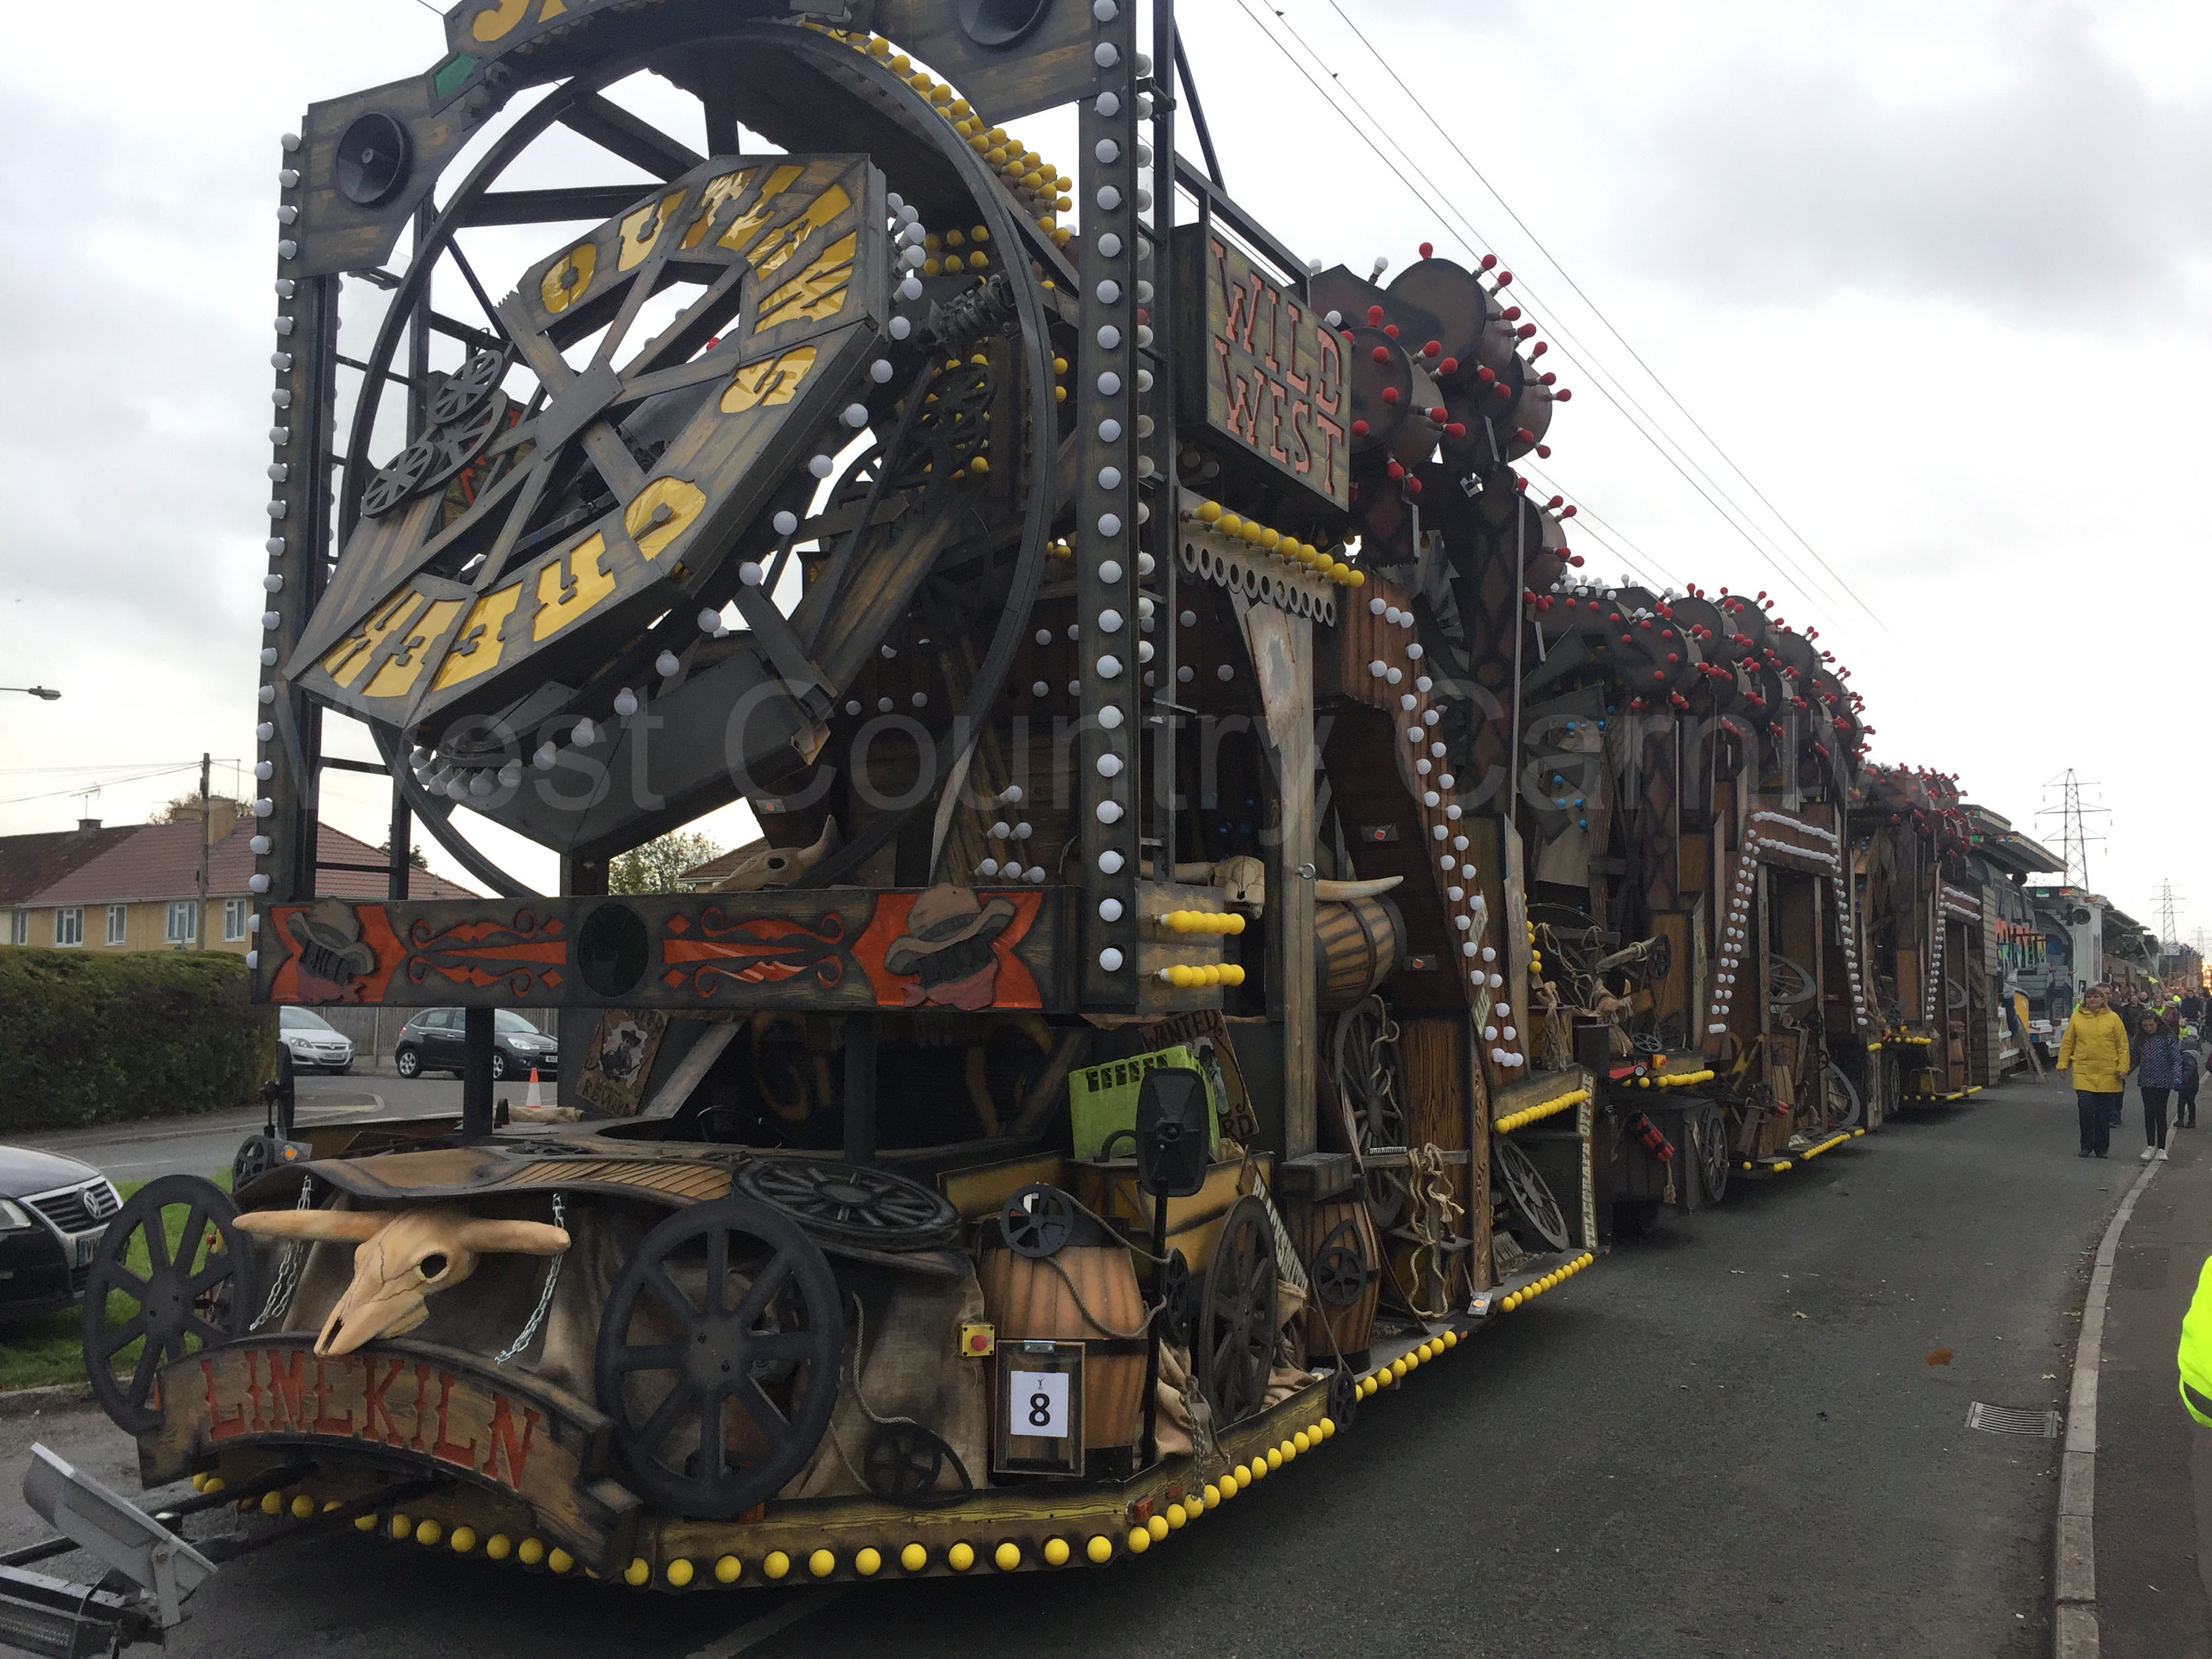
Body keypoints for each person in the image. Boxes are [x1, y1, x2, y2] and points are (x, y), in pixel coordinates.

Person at [2057, 985, 2129, 1158]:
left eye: (2096, 996)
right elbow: (2068, 1042)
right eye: (2089, 997)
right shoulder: (2077, 1017)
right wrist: (2062, 1063)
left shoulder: (2113, 1018)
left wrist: (2123, 1067)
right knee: (2086, 1109)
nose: (2092, 1000)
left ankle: (2102, 1148)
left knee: (2104, 1113)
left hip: (2108, 1071)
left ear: (2103, 999)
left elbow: (2122, 1045)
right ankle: (2086, 1146)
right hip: (2084, 1070)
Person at [2135, 1011, 2184, 1161]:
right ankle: (2150, 1146)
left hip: (2163, 1082)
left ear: (2157, 1023)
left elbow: (2176, 1059)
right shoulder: (2140, 1039)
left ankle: (2162, 1148)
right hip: (2146, 1081)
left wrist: (2178, 1078)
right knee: (2149, 1113)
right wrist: (2124, 1072)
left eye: (2151, 1025)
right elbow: (2135, 1058)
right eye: (2145, 1026)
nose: (2149, 1028)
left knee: (2161, 1113)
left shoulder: (2167, 1038)